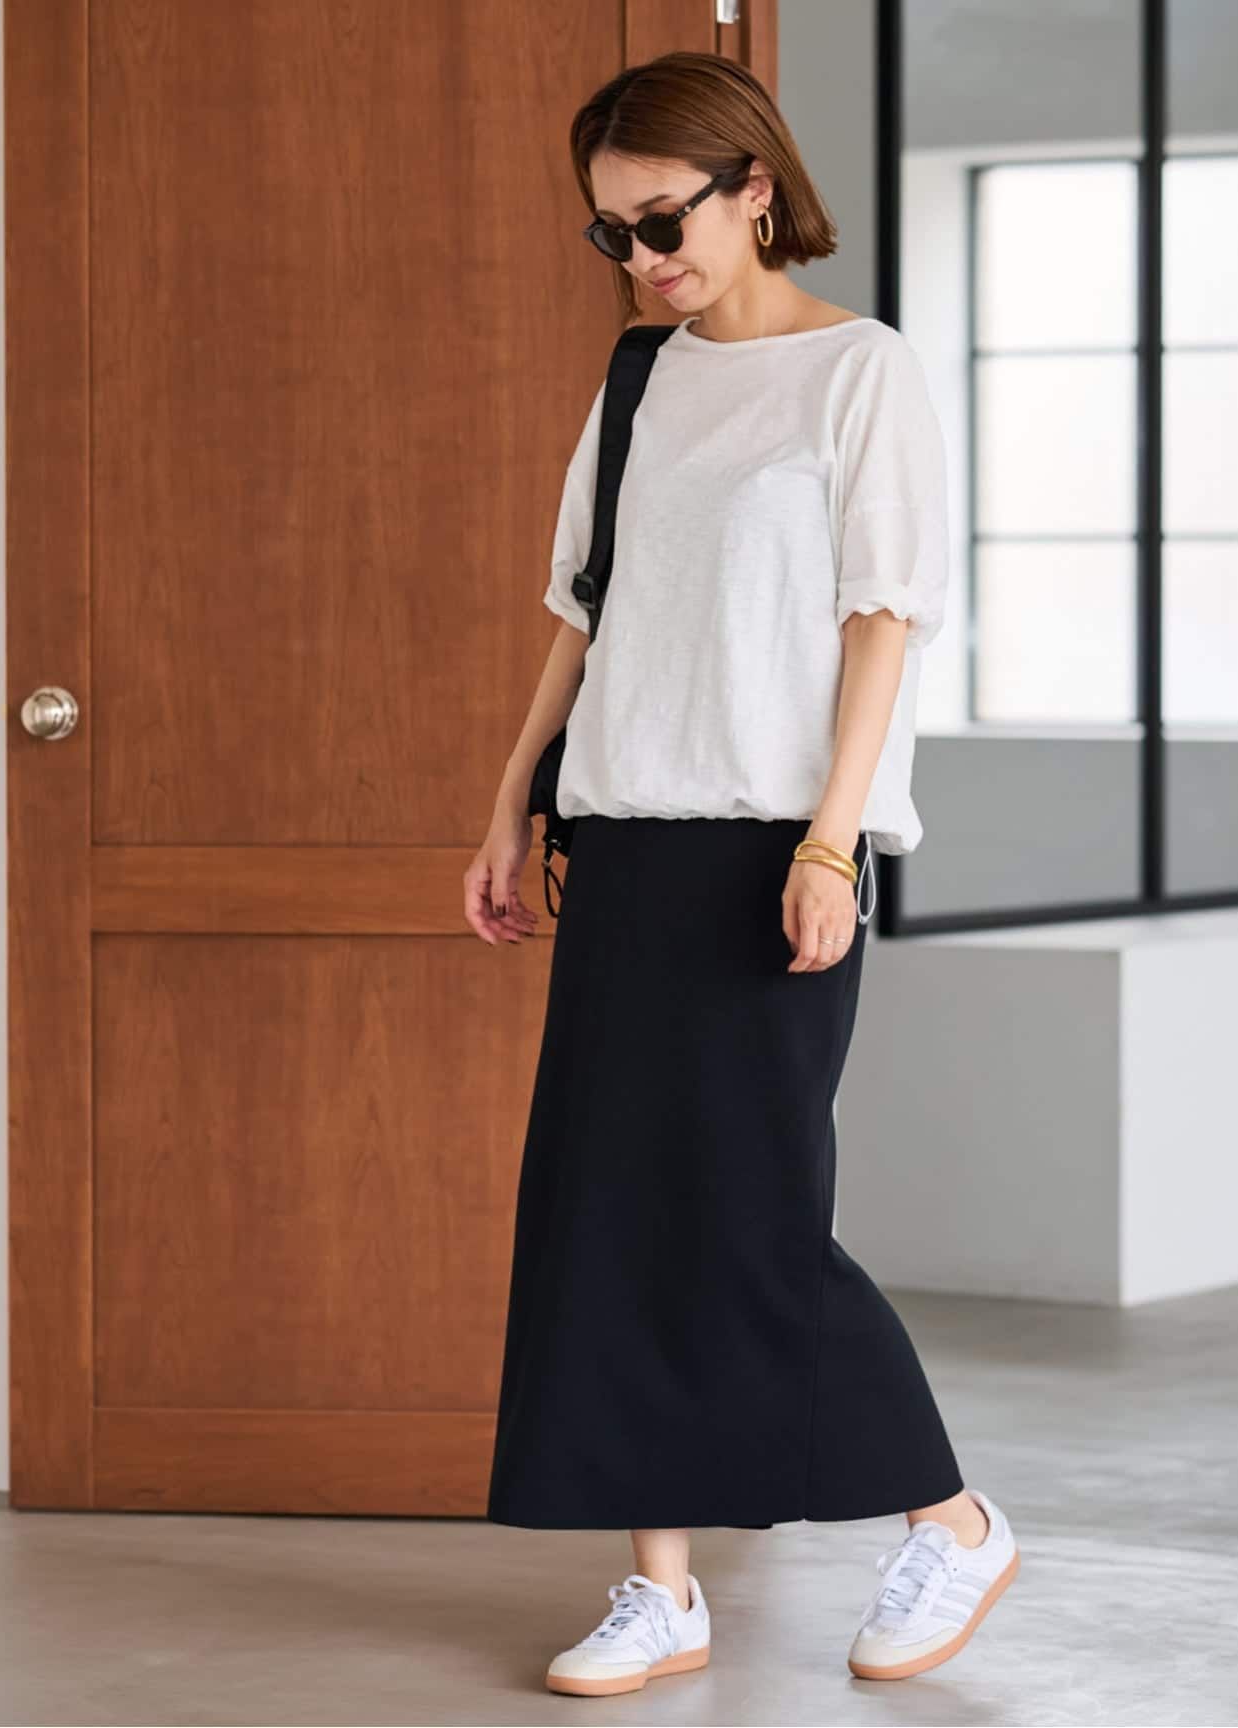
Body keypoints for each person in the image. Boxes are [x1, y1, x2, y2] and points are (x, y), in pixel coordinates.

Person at [463, 50, 1019, 1697]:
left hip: (777, 854)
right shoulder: (642, 381)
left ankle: (954, 1522)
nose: (642, 259)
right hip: (623, 842)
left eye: (664, 220)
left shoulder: (861, 373)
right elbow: (581, 618)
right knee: (608, 1215)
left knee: (752, 1217)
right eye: (612, 234)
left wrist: (833, 839)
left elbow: (882, 621)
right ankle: (663, 1589)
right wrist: (508, 811)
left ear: (754, 186)